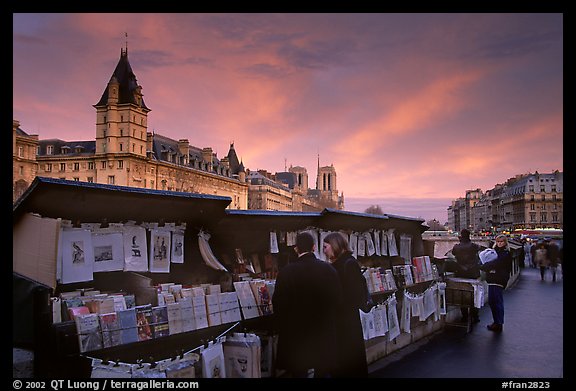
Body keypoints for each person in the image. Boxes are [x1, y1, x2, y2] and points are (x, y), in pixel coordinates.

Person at [272, 232, 342, 378]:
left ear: (296, 249)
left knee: (299, 372)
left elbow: (278, 303)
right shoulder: (328, 270)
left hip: (297, 336)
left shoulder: (286, 272)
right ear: (314, 247)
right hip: (322, 332)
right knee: (322, 371)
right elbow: (337, 300)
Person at [322, 232, 370, 378]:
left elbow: (354, 294)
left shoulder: (348, 264)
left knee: (347, 362)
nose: (324, 250)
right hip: (342, 321)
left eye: (325, 246)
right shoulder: (339, 264)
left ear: (335, 245)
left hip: (346, 322)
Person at [480, 234, 512, 332]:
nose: (499, 243)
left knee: (497, 302)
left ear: (505, 243)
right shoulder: (494, 251)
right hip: (492, 279)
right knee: (492, 301)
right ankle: (496, 321)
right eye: (498, 242)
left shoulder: (505, 253)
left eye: (501, 242)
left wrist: (484, 266)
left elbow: (497, 263)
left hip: (499, 279)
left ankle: (499, 323)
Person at [451, 229, 481, 323]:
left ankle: (464, 316)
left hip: (461, 272)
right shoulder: (473, 246)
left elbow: (453, 253)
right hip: (473, 273)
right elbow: (480, 249)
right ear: (469, 236)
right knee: (474, 295)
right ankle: (475, 316)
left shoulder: (456, 247)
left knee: (462, 296)